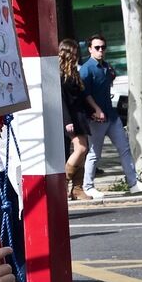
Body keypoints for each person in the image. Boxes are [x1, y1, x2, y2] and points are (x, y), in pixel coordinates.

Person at [80, 35, 142, 199]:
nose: (101, 50)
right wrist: (96, 109)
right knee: (95, 153)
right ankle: (88, 186)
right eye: (97, 47)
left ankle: (133, 183)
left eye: (103, 47)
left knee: (124, 148)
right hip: (96, 118)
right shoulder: (87, 69)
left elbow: (110, 80)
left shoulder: (106, 66)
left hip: (111, 115)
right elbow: (85, 93)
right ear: (90, 49)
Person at [59, 39, 93, 201]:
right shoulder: (58, 74)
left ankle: (77, 188)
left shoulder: (74, 72)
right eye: (73, 52)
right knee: (81, 148)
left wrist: (91, 111)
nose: (76, 55)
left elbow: (80, 96)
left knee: (83, 151)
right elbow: (61, 99)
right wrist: (66, 120)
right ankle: (63, 183)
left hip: (79, 115)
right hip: (69, 116)